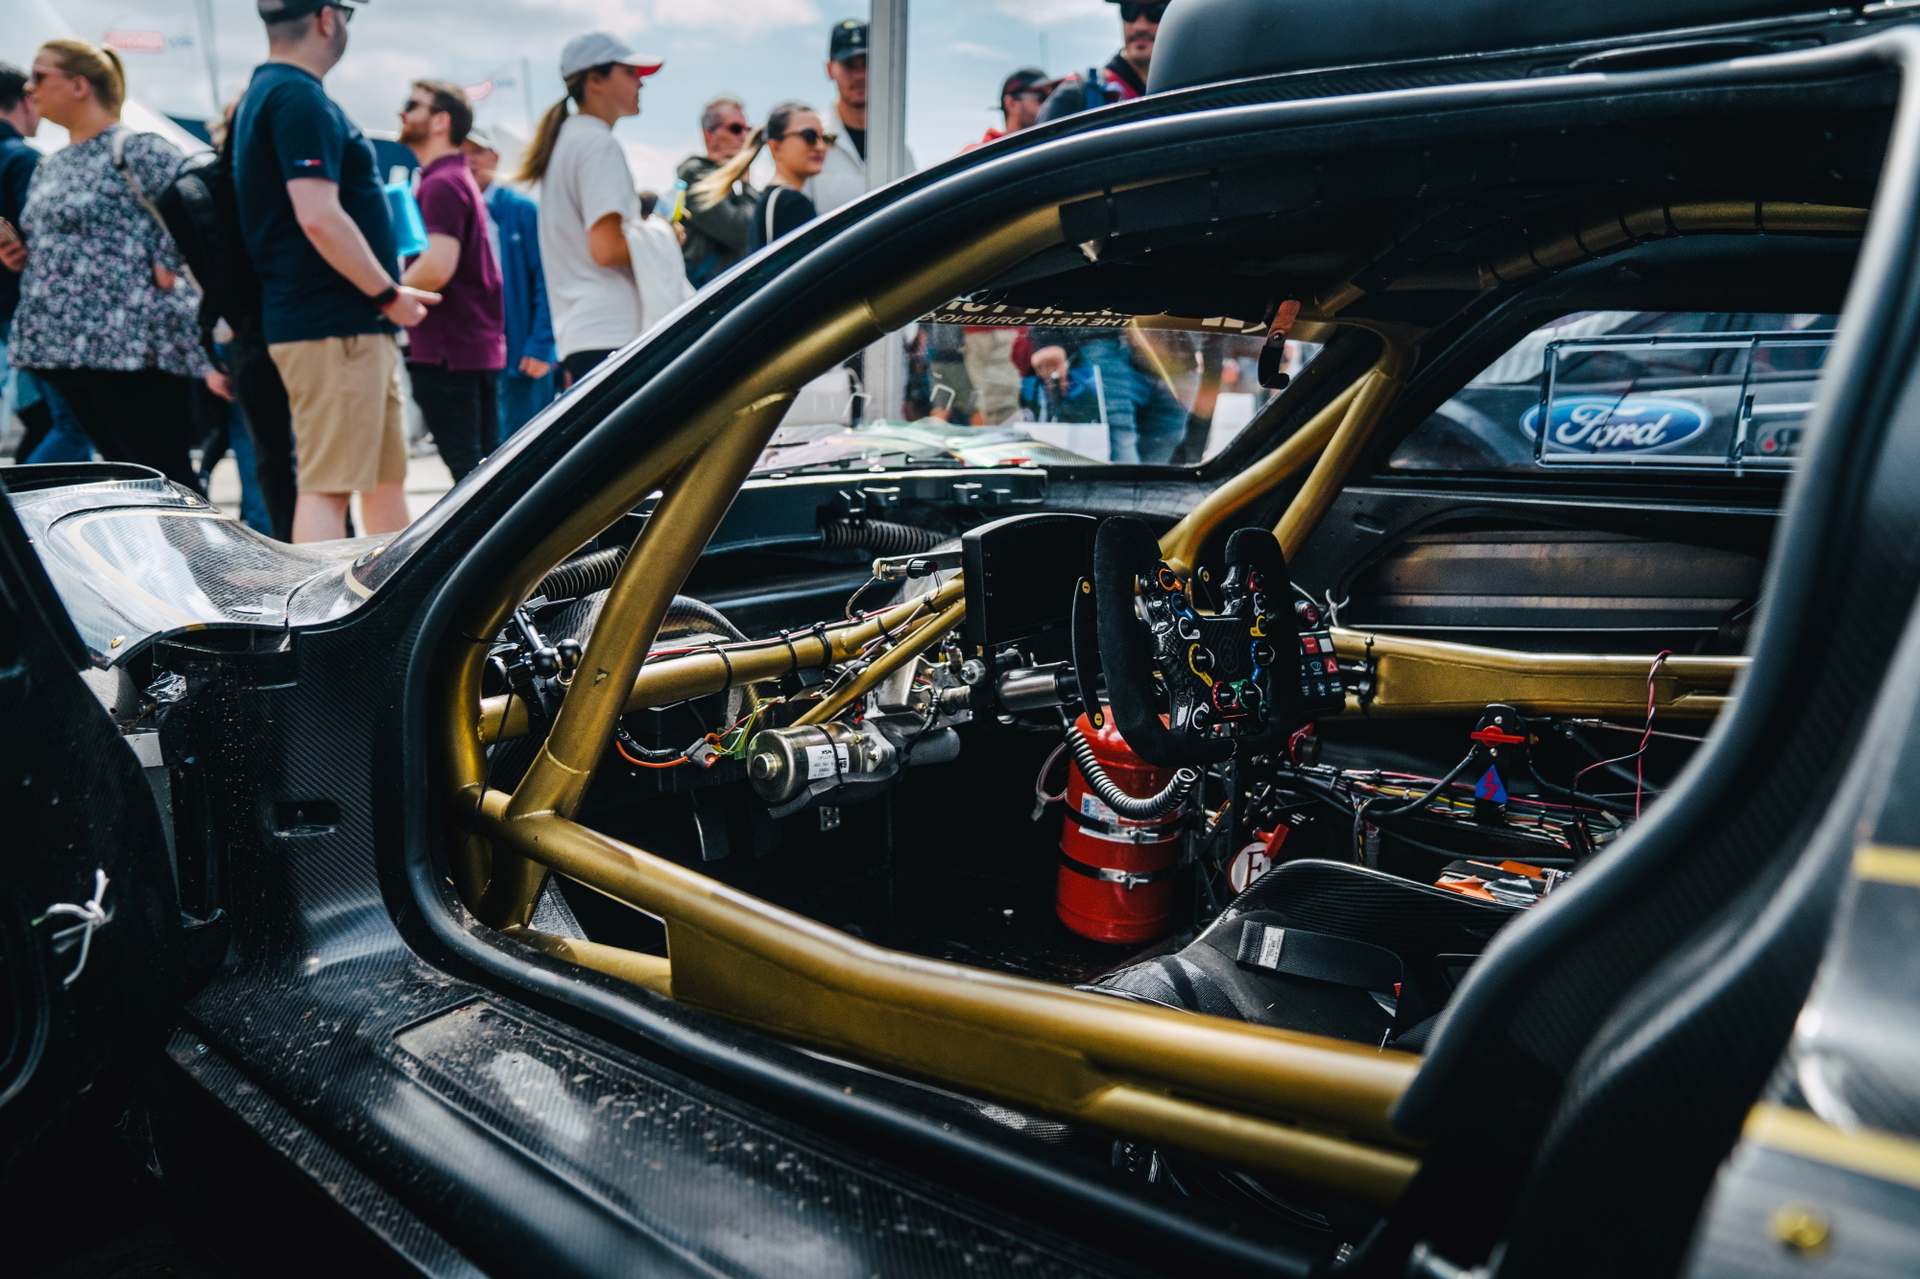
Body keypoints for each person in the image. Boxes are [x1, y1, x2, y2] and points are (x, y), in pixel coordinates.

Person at [235, 0, 438, 543]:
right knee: (328, 488)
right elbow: (319, 218)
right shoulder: (297, 97)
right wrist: (388, 293)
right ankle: (320, 627)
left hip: (340, 323)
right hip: (333, 325)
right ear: (328, 17)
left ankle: (391, 609)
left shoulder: (274, 93)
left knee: (382, 481)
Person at [8, 40, 227, 490]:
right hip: (65, 349)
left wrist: (167, 262)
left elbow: (204, 204)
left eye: (39, 76)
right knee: (124, 476)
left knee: (161, 474)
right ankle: (157, 558)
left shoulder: (135, 149)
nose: (29, 88)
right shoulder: (52, 163)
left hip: (131, 346)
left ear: (78, 85)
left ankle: (198, 558)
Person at [517, 32, 663, 386]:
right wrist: (665, 238)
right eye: (630, 72)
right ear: (594, 81)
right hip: (614, 332)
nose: (640, 82)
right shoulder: (597, 144)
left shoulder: (567, 141)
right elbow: (606, 249)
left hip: (586, 335)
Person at [397, 79, 504, 483]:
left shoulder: (441, 182)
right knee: (483, 473)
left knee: (471, 479)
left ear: (441, 121)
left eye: (413, 104)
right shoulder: (454, 177)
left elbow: (438, 266)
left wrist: (384, 298)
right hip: (468, 345)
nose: (402, 113)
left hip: (449, 350)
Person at [955, 69, 1050, 423]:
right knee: (1004, 424)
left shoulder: (1041, 153)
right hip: (994, 320)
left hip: (1030, 322)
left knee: (1029, 423)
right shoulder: (980, 156)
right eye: (1039, 97)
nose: (1047, 105)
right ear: (1010, 102)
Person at [464, 126, 556, 438]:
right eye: (460, 152)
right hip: (472, 356)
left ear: (495, 157)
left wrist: (542, 344)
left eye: (476, 151)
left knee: (524, 446)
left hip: (520, 355)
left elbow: (547, 279)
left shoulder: (522, 210)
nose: (468, 160)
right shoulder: (448, 207)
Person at [1024, 324, 1188, 463]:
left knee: (1160, 469)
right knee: (1120, 459)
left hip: (1177, 349)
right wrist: (1046, 339)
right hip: (1102, 342)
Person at [804, 20, 915, 216]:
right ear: (830, 69)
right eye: (848, 65)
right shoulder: (810, 142)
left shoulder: (898, 149)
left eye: (867, 63)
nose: (859, 75)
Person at [695, 103, 829, 253]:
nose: (820, 146)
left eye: (824, 137)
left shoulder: (771, 198)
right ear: (775, 146)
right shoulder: (792, 204)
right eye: (809, 136)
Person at [675, 95, 757, 286]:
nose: (745, 137)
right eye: (736, 129)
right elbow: (740, 231)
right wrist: (746, 185)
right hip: (705, 295)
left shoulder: (722, 178)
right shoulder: (696, 174)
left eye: (749, 130)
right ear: (708, 135)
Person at [1036, 2, 1163, 122]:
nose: (1139, 26)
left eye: (1156, 11)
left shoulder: (1180, 95)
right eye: (1129, 11)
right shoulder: (1075, 95)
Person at [960, 68, 1049, 152]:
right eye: (1043, 97)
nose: (1050, 104)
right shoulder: (976, 155)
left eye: (1053, 98)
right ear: (1011, 104)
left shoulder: (1051, 147)